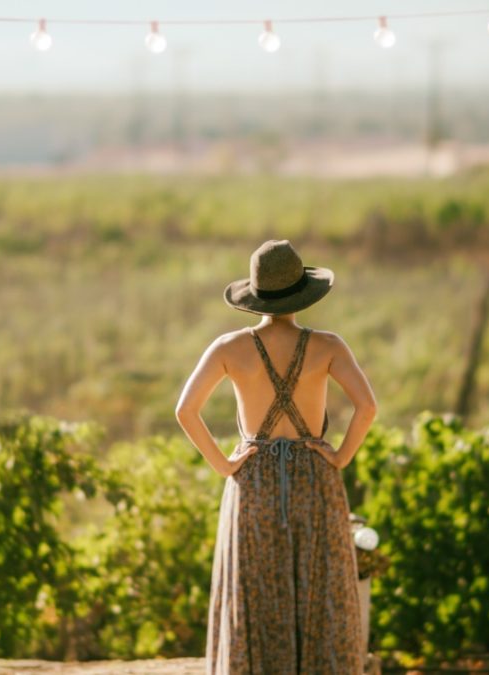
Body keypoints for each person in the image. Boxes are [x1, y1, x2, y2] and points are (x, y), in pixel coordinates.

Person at [175, 240, 377, 674]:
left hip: (254, 478)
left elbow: (185, 411)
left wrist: (225, 466)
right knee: (321, 590)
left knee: (253, 591)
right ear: (303, 291)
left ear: (255, 294)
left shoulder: (229, 347)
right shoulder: (328, 346)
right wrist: (340, 456)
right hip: (315, 476)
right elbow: (368, 407)